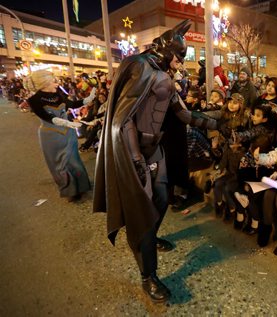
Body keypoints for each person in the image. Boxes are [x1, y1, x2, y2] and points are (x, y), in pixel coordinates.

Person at [93, 20, 218, 304]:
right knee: (143, 212)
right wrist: (135, 156)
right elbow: (124, 119)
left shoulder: (162, 74)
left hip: (156, 149)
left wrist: (217, 121)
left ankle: (150, 237)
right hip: (135, 150)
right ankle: (148, 275)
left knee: (162, 198)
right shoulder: (142, 68)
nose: (180, 61)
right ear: (167, 52)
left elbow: (184, 116)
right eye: (179, 55)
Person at [27, 70, 93, 202]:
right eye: (53, 81)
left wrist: (89, 98)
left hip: (68, 133)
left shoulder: (57, 94)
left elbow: (72, 104)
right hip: (51, 136)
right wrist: (67, 123)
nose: (57, 84)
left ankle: (82, 186)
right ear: (44, 82)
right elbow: (47, 117)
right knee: (60, 164)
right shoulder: (33, 100)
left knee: (74, 160)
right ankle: (70, 191)